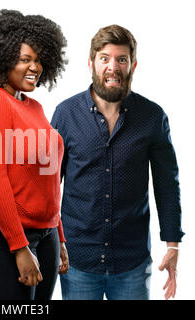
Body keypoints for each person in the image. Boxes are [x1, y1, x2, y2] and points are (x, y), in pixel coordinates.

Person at [51, 24, 184, 300]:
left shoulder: (152, 116)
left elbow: (167, 185)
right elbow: (49, 185)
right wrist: (46, 242)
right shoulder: (65, 114)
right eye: (105, 58)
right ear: (91, 63)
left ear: (133, 65)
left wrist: (173, 245)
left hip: (131, 262)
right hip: (77, 260)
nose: (113, 67)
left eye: (121, 59)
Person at [0, 9, 69, 300]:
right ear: (2, 58)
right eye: (25, 59)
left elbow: (49, 178)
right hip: (1, 231)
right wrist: (19, 247)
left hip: (44, 231)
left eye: (38, 60)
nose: (34, 67)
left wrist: (58, 235)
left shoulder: (33, 107)